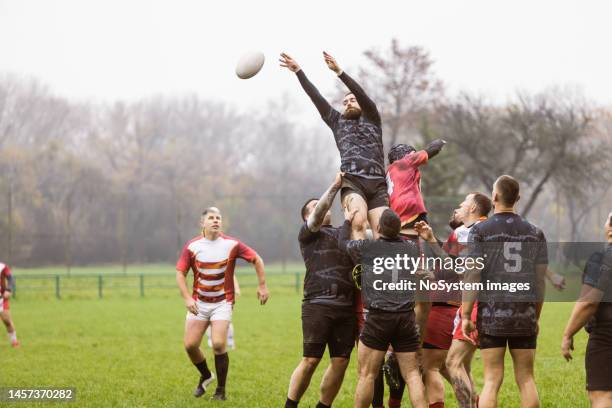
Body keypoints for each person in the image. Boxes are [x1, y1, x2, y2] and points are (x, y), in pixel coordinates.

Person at [280, 51, 388, 240]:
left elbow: (361, 94)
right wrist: (299, 72)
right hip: (353, 182)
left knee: (383, 232)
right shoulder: (338, 122)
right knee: (358, 222)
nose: (348, 103)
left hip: (378, 184)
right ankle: (361, 270)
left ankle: (382, 270)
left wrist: (339, 72)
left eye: (352, 100)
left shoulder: (372, 118)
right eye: (344, 102)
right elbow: (317, 98)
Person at [462, 175, 548, 408]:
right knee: (526, 378)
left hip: (491, 316)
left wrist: (466, 315)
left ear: (495, 196)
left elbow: (472, 275)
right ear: (518, 198)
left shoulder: (480, 231)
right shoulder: (536, 233)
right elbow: (540, 283)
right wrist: (535, 317)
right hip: (524, 315)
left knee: (492, 379)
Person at [176, 207, 269, 401]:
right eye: (211, 218)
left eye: (218, 217)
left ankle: (220, 391)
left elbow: (257, 259)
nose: (216, 220)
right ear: (202, 223)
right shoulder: (192, 246)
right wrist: (187, 298)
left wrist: (262, 285)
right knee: (190, 345)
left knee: (218, 344)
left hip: (222, 302)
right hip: (199, 303)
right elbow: (180, 273)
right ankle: (206, 375)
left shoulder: (232, 244)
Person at [339, 207, 428, 408]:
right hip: (405, 318)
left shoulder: (368, 248)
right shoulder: (412, 249)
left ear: (378, 227)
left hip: (378, 318)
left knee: (366, 375)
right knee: (413, 375)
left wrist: (347, 222)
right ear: (399, 230)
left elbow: (342, 243)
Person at [285, 173, 357, 408]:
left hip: (347, 309)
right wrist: (336, 186)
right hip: (318, 305)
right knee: (310, 360)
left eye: (323, 205)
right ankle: (290, 405)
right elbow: (319, 211)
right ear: (307, 216)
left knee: (341, 361)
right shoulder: (308, 234)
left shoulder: (343, 232)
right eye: (315, 206)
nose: (323, 207)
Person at [415, 192, 492, 408]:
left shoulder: (463, 232)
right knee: (463, 366)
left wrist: (431, 244)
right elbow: (456, 267)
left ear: (473, 208)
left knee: (443, 365)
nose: (458, 207)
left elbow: (452, 269)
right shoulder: (491, 229)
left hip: (465, 305)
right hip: (492, 305)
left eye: (463, 203)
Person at [562, 212, 612, 408]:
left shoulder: (601, 258)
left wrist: (568, 333)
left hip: (607, 336)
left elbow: (589, 302)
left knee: (602, 396)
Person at [387, 140, 446, 238]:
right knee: (426, 238)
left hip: (395, 214)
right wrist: (441, 142)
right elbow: (432, 149)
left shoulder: (388, 172)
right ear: (406, 155)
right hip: (410, 208)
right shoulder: (406, 161)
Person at [0, 261, 19, 348]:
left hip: (1, 299)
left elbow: (10, 279)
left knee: (6, 320)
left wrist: (9, 289)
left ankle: (14, 341)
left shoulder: (2, 267)